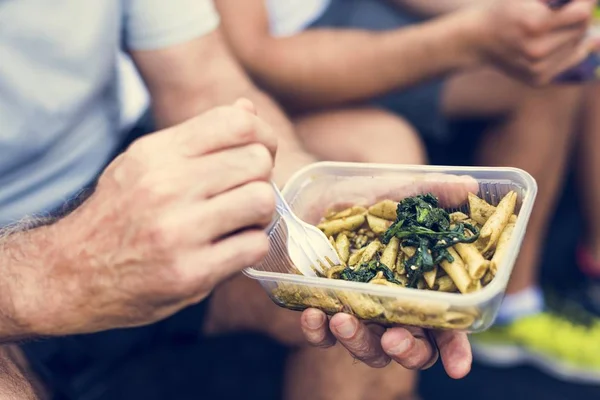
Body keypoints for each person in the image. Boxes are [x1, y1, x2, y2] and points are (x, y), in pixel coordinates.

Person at [0, 1, 471, 399]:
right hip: (16, 264)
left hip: (108, 170)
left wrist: (311, 195)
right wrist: (53, 271)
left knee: (373, 291)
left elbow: (200, 78)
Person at [213, 0, 600, 392]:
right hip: (288, 57)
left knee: (562, 67)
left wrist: (498, 12)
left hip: (340, 16)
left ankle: (513, 304)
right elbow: (252, 57)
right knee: (387, 153)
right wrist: (470, 36)